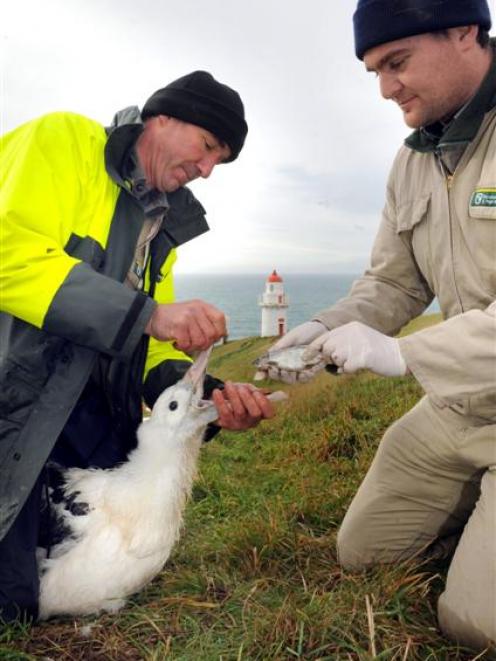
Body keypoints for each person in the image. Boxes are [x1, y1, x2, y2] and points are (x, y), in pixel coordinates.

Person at [256, 0, 496, 651]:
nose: (387, 88)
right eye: (374, 72)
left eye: (397, 62)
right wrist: (324, 324)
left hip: (461, 382)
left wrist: (400, 352)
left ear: (464, 31)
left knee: (473, 625)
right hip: (462, 405)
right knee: (364, 552)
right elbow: (394, 281)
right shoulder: (412, 160)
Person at [0, 70, 274, 622]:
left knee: (114, 546)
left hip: (80, 403)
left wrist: (210, 402)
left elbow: (143, 348)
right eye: (207, 147)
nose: (207, 170)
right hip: (11, 391)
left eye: (218, 160)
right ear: (163, 118)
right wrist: (149, 314)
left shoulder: (158, 230)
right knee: (14, 601)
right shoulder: (63, 142)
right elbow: (10, 255)